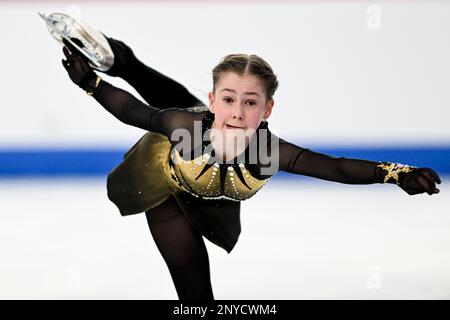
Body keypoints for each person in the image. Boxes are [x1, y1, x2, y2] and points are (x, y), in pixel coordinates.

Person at [60, 37, 441, 300]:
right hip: (165, 176)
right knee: (192, 282)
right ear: (214, 100)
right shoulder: (186, 127)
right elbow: (132, 112)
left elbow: (335, 167)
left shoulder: (267, 150)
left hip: (212, 188)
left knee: (173, 101)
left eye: (251, 102)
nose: (239, 113)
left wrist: (396, 173)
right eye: (228, 99)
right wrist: (90, 83)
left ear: (267, 110)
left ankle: (122, 61)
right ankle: (118, 59)